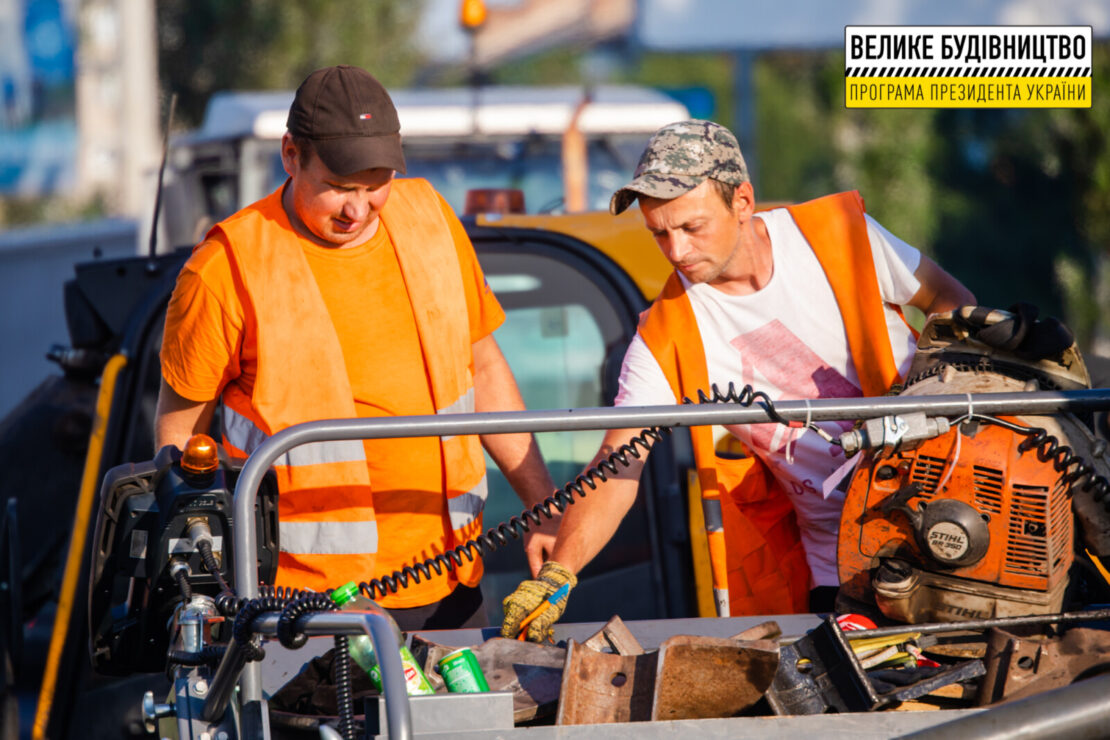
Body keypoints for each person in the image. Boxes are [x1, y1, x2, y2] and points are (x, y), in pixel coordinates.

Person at [502, 119, 976, 641]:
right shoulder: (666, 333)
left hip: (957, 518)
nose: (676, 251)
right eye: (659, 233)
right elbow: (617, 466)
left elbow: (950, 303)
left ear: (743, 201)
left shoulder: (839, 235)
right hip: (842, 573)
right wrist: (560, 573)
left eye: (691, 227)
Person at [155, 65, 557, 630]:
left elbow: (483, 367)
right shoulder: (225, 269)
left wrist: (543, 506)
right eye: (340, 187)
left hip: (450, 581)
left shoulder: (431, 220)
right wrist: (211, 587)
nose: (359, 209)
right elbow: (180, 440)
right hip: (302, 607)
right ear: (291, 155)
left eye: (375, 185)